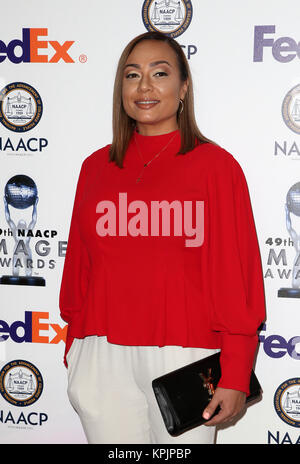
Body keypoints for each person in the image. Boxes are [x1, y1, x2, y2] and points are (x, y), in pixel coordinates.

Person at [59, 31, 266, 444]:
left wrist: (236, 370)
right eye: (132, 75)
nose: (145, 87)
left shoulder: (216, 167)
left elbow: (235, 274)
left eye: (160, 73)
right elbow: (80, 266)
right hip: (102, 354)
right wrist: (76, 344)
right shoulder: (95, 168)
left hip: (183, 355)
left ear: (184, 86)